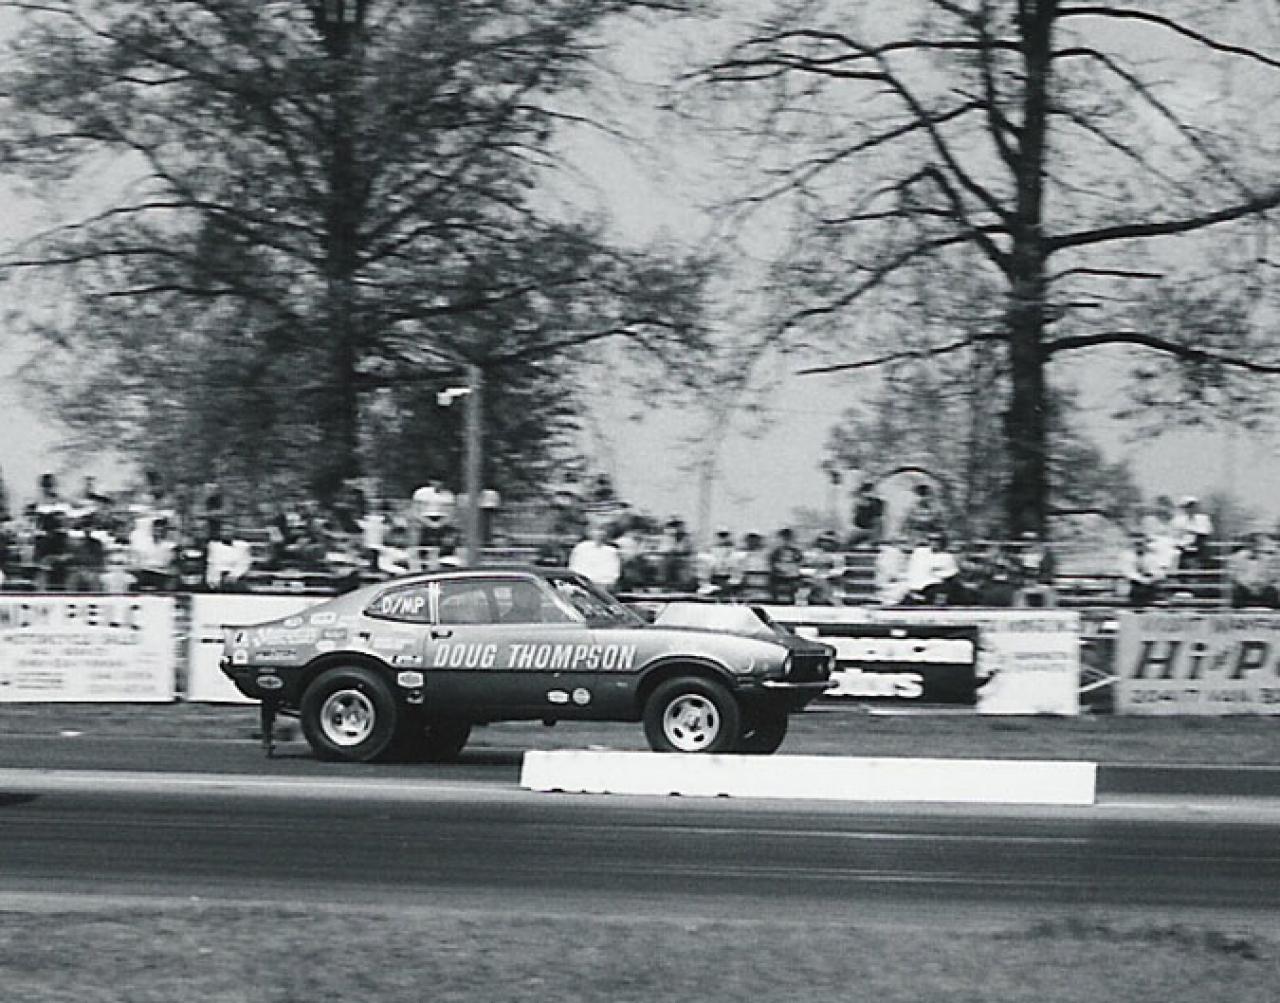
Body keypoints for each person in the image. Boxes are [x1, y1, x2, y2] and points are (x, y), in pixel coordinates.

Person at [904, 532, 959, 605]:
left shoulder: (947, 557)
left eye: (937, 540)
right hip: (915, 588)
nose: (934, 543)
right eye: (931, 539)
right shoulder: (919, 552)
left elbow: (951, 575)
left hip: (934, 588)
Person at [1227, 534, 1279, 608]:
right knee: (1236, 592)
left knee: (1273, 591)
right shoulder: (1236, 557)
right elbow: (1233, 575)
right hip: (1244, 588)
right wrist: (1248, 586)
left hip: (1265, 588)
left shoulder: (1271, 558)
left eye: (1258, 544)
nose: (1254, 546)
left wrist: (1261, 585)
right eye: (1252, 543)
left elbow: (1274, 575)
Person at [568, 521, 621, 591]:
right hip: (581, 584)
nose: (600, 534)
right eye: (598, 530)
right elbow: (574, 568)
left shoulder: (612, 551)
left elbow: (613, 575)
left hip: (602, 586)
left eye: (603, 531)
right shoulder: (581, 547)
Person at [1119, 532, 1164, 607]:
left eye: (1141, 544)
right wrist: (1142, 579)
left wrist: (1152, 577)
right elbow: (1129, 572)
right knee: (1138, 590)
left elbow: (1158, 572)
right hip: (1132, 585)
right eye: (1136, 544)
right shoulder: (1126, 556)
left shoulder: (1151, 556)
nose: (1139, 547)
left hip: (1150, 584)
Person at [1013, 530, 1057, 607]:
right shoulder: (1021, 555)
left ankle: (1049, 611)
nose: (1027, 543)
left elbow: (1047, 572)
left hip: (1041, 583)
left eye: (1030, 540)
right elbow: (1020, 571)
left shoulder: (1045, 554)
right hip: (1025, 584)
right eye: (1025, 540)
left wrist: (1037, 580)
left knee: (1048, 592)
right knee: (1018, 593)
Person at [1172, 496, 1214, 569]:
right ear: (1184, 508)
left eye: (1193, 506)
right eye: (1188, 506)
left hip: (1199, 548)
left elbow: (1207, 531)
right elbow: (1175, 535)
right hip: (1182, 548)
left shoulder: (1203, 518)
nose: (1192, 509)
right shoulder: (1177, 520)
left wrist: (1190, 531)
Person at [768, 527, 805, 603]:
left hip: (793, 576)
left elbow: (800, 562)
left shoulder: (796, 551)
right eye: (784, 538)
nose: (786, 541)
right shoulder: (776, 551)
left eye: (788, 538)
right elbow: (772, 562)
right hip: (778, 576)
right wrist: (779, 569)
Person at [700, 528, 740, 597]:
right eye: (721, 535)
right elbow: (704, 574)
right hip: (713, 582)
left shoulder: (736, 554)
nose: (723, 537)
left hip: (729, 583)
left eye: (725, 535)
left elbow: (737, 574)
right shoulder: (708, 553)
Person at [848, 482, 884, 548]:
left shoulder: (877, 503)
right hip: (859, 529)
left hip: (871, 531)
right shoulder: (859, 502)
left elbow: (877, 521)